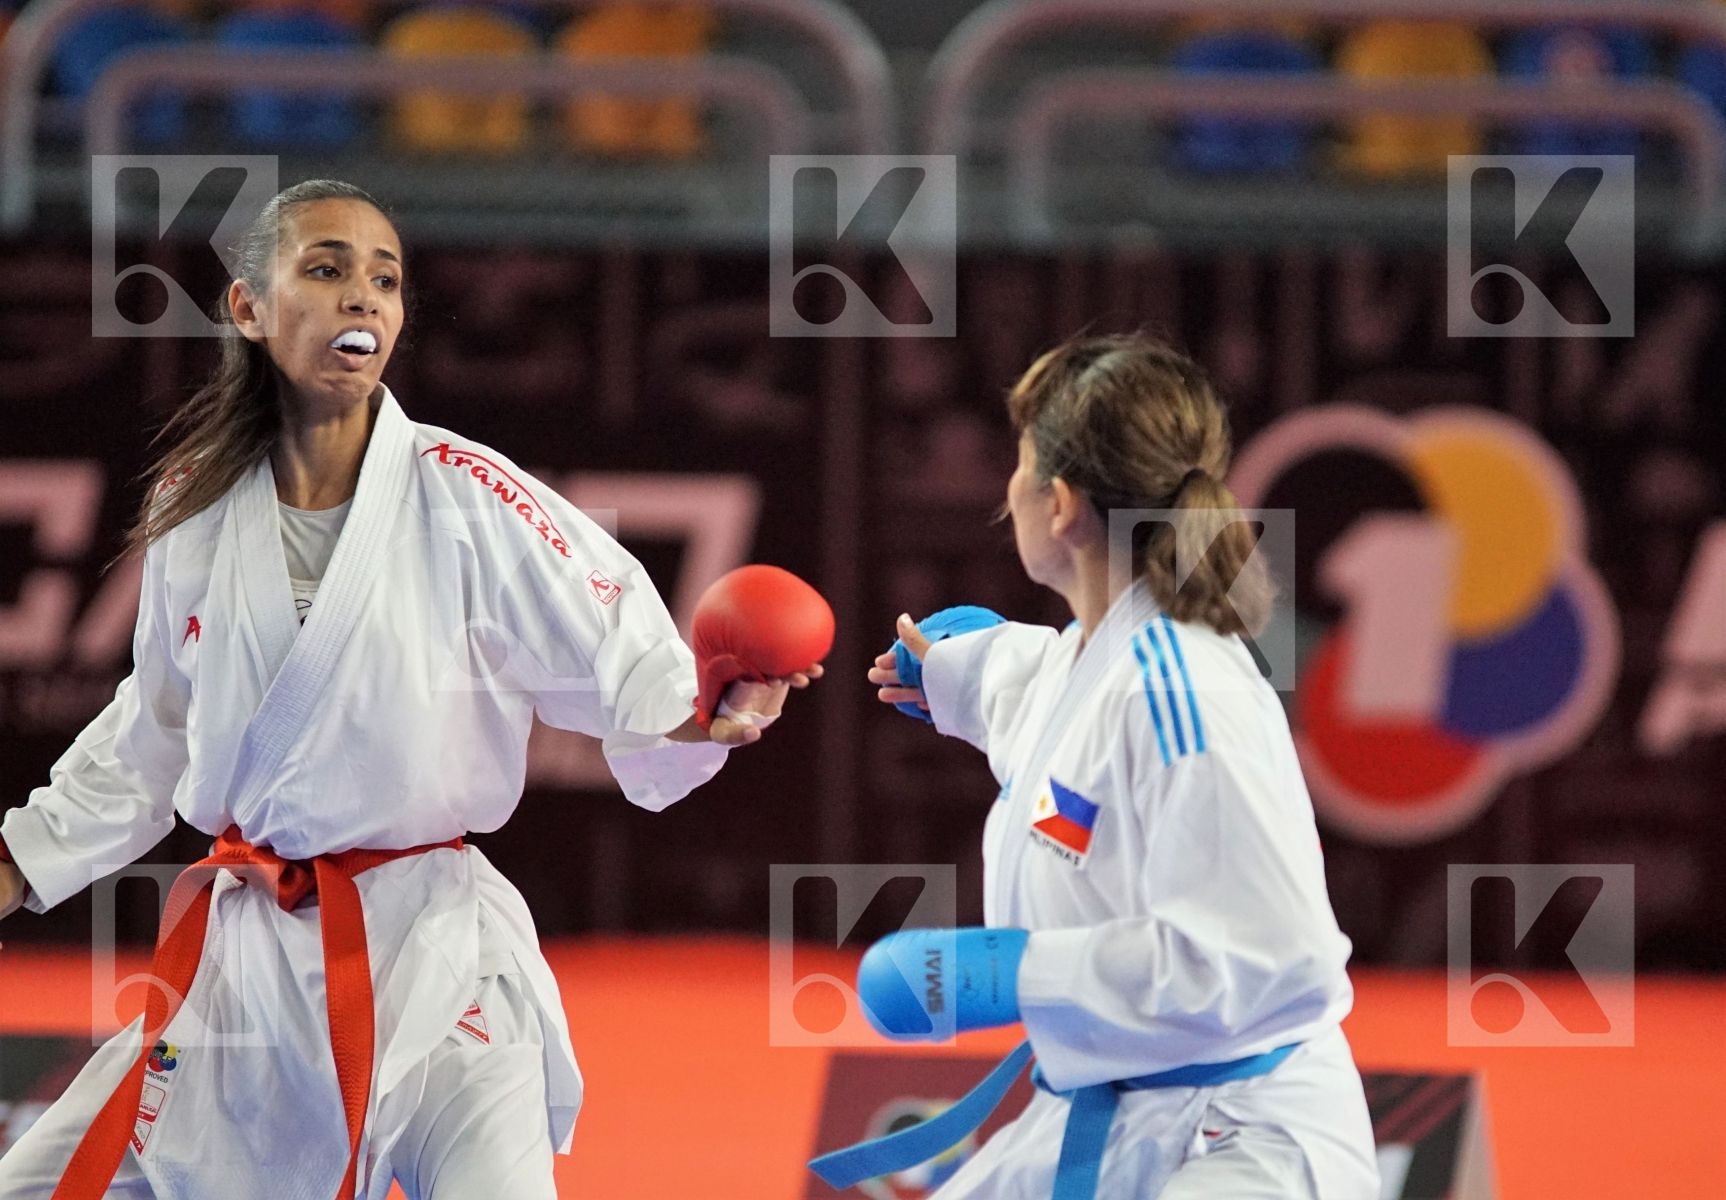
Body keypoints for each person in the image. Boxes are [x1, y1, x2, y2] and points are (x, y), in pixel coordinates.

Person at [0, 178, 823, 1199]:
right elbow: (154, 726)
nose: (364, 299)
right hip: (248, 966)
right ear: (248, 309)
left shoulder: (468, 495)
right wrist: (17, 858)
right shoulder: (192, 507)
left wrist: (709, 710)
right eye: (328, 269)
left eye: (384, 280)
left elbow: (630, 662)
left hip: (437, 964)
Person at [825, 333, 1379, 1198]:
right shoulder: (1092, 663)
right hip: (1106, 1114)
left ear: (1061, 505)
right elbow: (1052, 722)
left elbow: (1269, 956)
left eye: (1019, 464)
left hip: (1242, 1142)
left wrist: (1007, 972)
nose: (1006, 492)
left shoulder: (1185, 700)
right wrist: (960, 671)